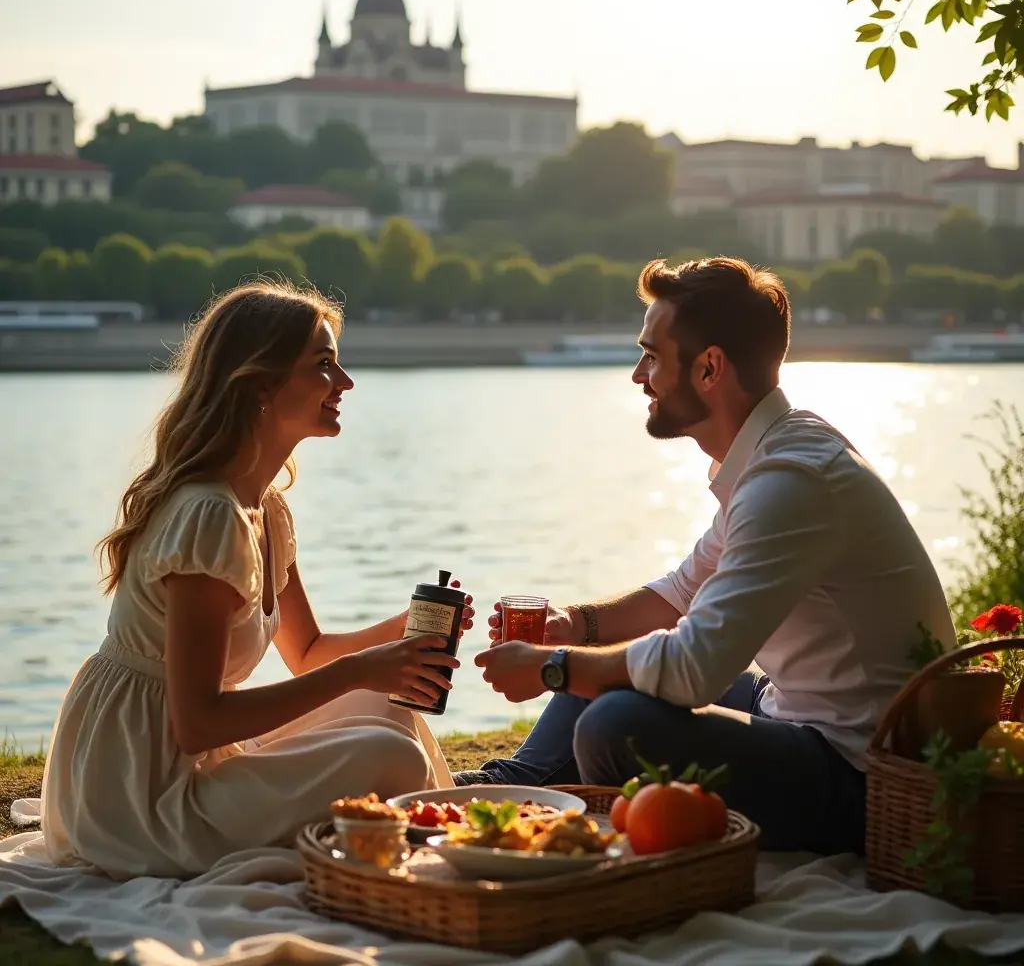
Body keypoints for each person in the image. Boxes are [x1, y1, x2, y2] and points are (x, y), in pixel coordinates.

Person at [460, 256, 955, 855]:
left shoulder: (790, 481)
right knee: (600, 659)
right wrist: (575, 628)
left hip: (859, 775)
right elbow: (682, 593)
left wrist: (554, 664)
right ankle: (519, 784)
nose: (638, 375)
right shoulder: (769, 457)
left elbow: (695, 667)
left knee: (613, 724)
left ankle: (600, 833)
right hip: (788, 711)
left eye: (650, 355)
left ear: (709, 368)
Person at [41, 279, 473, 879]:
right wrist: (362, 668)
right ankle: (446, 868)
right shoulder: (210, 516)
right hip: (141, 797)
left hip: (194, 762)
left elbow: (309, 653)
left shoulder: (264, 508)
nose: (345, 383)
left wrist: (400, 636)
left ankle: (459, 851)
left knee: (391, 710)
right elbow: (199, 724)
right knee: (389, 752)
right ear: (262, 384)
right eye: (324, 366)